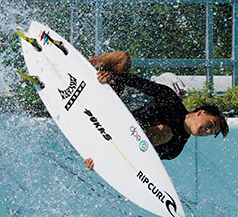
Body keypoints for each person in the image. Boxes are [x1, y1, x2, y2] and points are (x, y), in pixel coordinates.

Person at [83, 50, 228, 171]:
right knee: (122, 58)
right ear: (201, 112)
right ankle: (79, 72)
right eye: (210, 125)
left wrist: (101, 162)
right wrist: (112, 77)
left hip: (115, 142)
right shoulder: (171, 99)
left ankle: (107, 148)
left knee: (165, 132)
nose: (208, 131)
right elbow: (138, 83)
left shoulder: (175, 148)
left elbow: (138, 162)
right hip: (112, 114)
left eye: (211, 133)